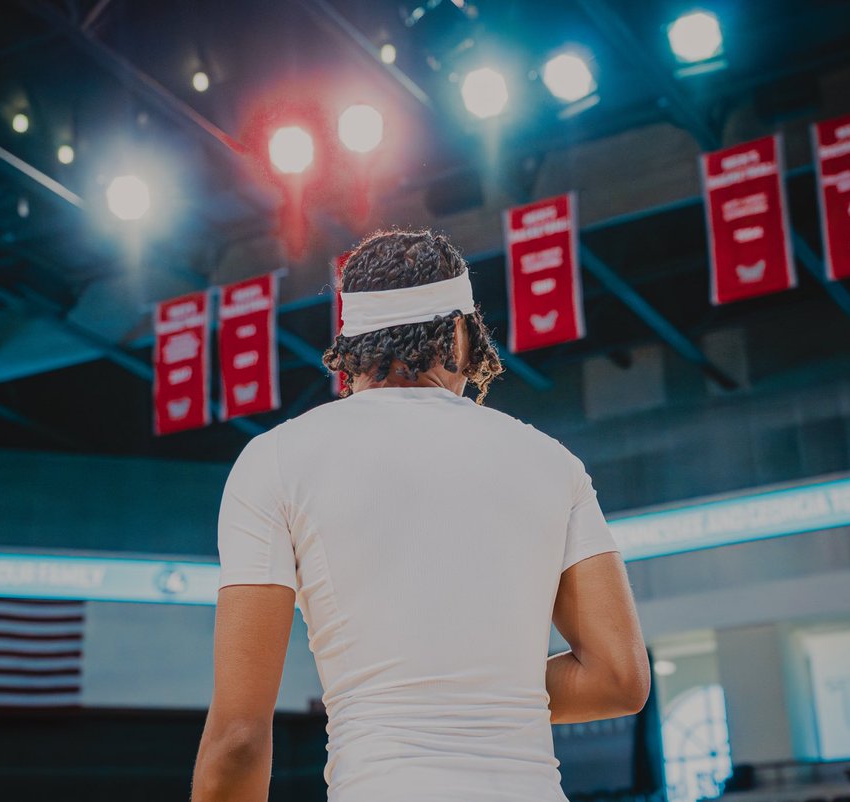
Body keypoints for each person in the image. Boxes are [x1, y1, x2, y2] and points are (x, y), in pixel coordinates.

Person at [191, 229, 650, 801]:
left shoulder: (274, 461)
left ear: (351, 345)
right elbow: (618, 679)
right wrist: (486, 691)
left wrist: (423, 696)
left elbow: (238, 737)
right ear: (461, 336)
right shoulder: (553, 463)